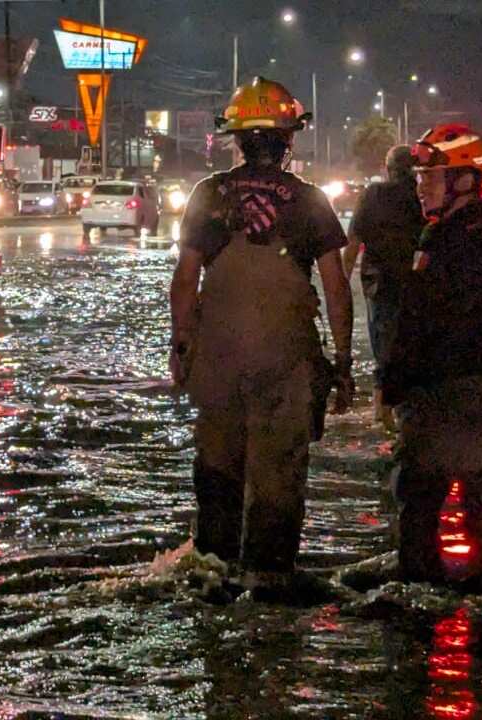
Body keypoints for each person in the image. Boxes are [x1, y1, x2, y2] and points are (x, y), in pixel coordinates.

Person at [169, 77, 355, 598]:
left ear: (236, 140)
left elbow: (184, 282)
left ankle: (213, 578)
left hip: (218, 363)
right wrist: (342, 362)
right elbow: (336, 288)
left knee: (218, 475)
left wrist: (181, 347)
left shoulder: (208, 195)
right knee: (278, 481)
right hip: (286, 364)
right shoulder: (310, 200)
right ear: (288, 140)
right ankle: (269, 588)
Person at [380, 124, 482, 592]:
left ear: (465, 182)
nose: (420, 189)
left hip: (438, 402)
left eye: (430, 179)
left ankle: (413, 642)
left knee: (418, 523)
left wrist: (390, 389)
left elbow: (413, 325)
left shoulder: (436, 244)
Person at [342, 145, 424, 429]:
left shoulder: (373, 195)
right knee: (414, 342)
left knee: (384, 343)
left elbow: (353, 242)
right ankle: (404, 406)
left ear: (387, 168)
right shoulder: (423, 197)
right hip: (417, 281)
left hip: (380, 282)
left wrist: (340, 283)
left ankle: (382, 409)